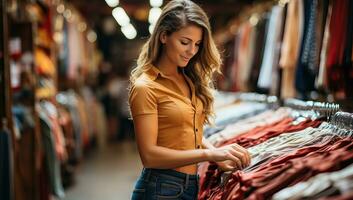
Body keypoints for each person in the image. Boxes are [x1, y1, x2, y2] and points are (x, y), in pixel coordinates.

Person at [128, 0, 251, 199]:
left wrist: (216, 153)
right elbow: (149, 156)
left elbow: (186, 133)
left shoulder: (189, 79)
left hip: (191, 185)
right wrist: (209, 155)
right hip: (159, 188)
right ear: (164, 36)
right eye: (185, 42)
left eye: (197, 44)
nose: (192, 51)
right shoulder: (146, 87)